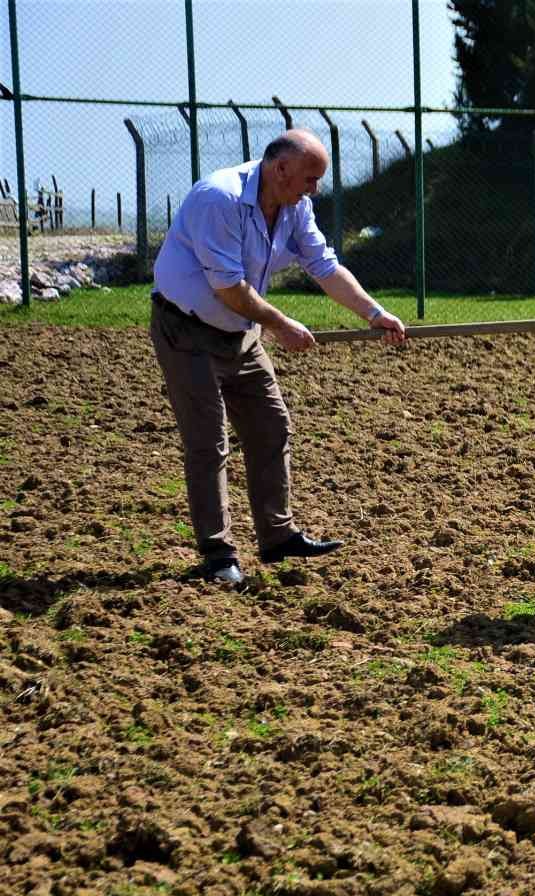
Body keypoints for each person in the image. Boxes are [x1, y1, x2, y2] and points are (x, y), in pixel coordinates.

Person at [150, 129, 406, 586]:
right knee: (208, 443)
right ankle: (218, 554)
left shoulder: (294, 206)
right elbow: (227, 287)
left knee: (271, 425)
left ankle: (277, 536)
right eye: (310, 178)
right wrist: (281, 324)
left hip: (239, 333)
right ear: (280, 168)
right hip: (186, 330)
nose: (314, 189)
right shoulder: (219, 199)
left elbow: (324, 265)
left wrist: (374, 313)